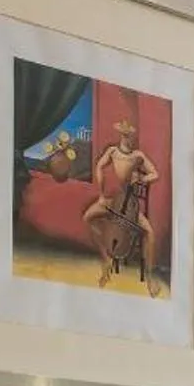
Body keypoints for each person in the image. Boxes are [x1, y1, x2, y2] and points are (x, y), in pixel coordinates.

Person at [84, 117, 161, 293]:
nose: (127, 139)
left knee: (149, 232)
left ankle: (149, 277)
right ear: (120, 135)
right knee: (88, 217)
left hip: (129, 206)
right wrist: (102, 194)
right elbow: (99, 167)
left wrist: (141, 178)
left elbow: (155, 174)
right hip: (113, 200)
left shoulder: (138, 156)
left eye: (130, 136)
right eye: (124, 135)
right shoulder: (112, 152)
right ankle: (106, 259)